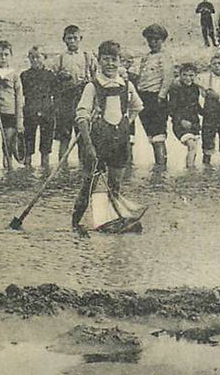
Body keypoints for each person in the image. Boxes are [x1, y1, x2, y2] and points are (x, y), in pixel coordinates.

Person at [72, 40, 143, 231]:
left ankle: (111, 222)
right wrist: (88, 145)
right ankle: (74, 225)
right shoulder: (93, 86)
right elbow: (81, 117)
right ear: (99, 60)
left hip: (119, 141)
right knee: (88, 186)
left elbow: (137, 106)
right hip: (97, 142)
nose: (110, 64)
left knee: (115, 186)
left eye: (114, 59)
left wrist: (126, 122)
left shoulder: (126, 85)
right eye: (106, 59)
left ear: (119, 61)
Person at [53, 24, 97, 164]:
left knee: (82, 136)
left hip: (81, 98)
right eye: (69, 38)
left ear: (80, 39)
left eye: (75, 38)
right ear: (64, 40)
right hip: (65, 101)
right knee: (64, 138)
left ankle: (83, 169)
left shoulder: (87, 56)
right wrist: (60, 75)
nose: (72, 41)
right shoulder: (60, 58)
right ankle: (62, 169)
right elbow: (51, 78)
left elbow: (96, 77)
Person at [136, 24, 174, 170]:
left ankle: (161, 165)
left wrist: (161, 96)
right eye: (150, 40)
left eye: (156, 40)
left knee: (158, 134)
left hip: (156, 97)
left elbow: (168, 78)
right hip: (144, 96)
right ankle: (158, 164)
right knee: (150, 133)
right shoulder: (146, 57)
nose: (153, 43)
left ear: (162, 40)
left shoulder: (165, 56)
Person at [0, 40, 23, 172]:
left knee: (8, 147)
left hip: (9, 113)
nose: (3, 57)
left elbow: (19, 98)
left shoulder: (15, 74)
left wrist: (19, 120)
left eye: (6, 54)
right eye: (0, 54)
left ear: (11, 56)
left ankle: (8, 173)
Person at [21, 45, 55, 169]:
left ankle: (45, 170)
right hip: (30, 113)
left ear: (44, 58)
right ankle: (27, 170)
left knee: (46, 147)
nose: (35, 60)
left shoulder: (50, 75)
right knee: (28, 145)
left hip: (47, 113)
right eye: (32, 57)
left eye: (38, 57)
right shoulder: (24, 75)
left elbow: (55, 94)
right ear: (29, 58)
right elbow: (21, 95)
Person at [167, 62, 203, 168]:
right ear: (180, 75)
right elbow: (171, 109)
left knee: (194, 147)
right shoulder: (175, 89)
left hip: (194, 122)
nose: (188, 78)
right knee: (191, 145)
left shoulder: (195, 88)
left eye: (191, 75)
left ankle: (190, 168)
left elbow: (196, 105)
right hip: (180, 123)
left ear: (195, 76)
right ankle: (190, 169)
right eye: (185, 75)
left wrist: (207, 113)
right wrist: (181, 120)